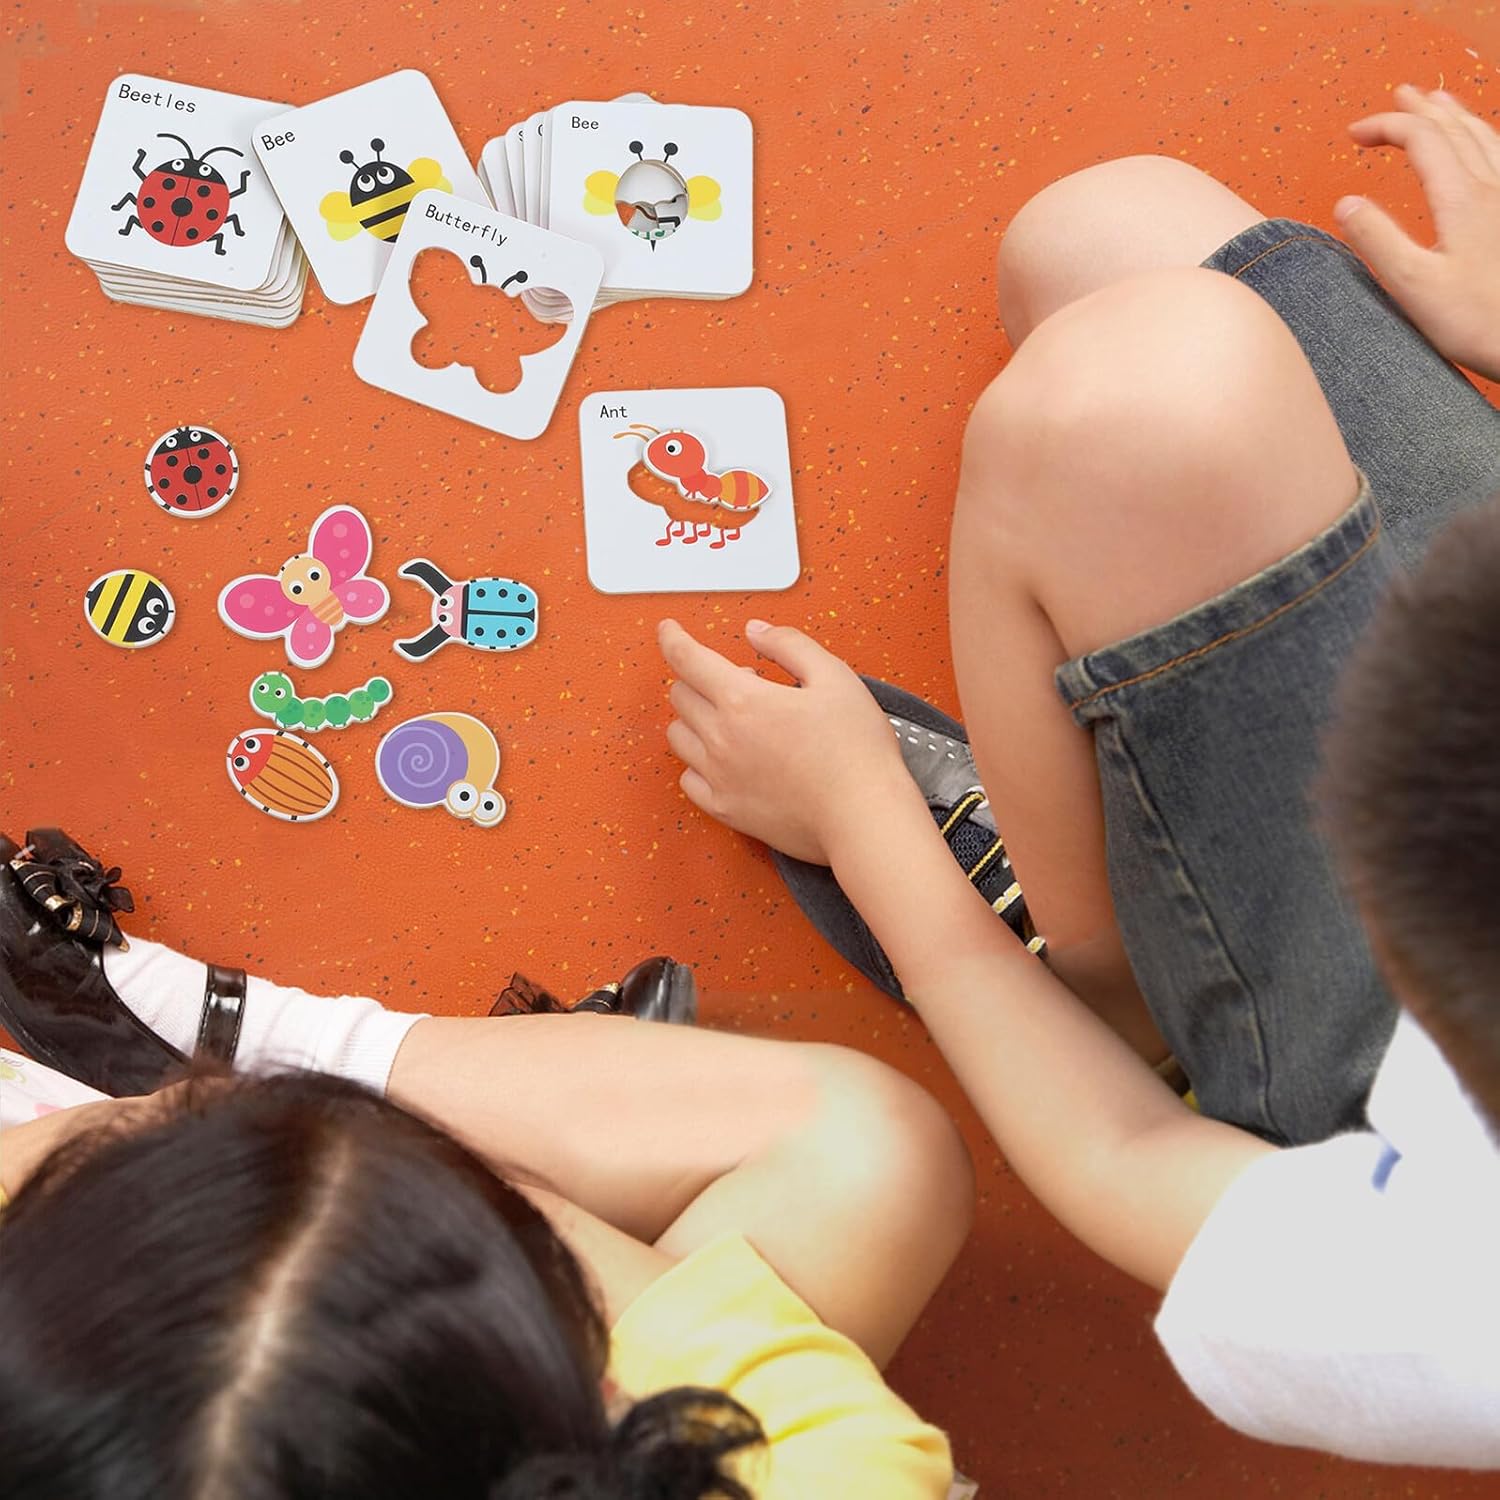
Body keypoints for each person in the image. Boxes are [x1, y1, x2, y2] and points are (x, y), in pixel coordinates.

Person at [656, 83, 1500, 1465]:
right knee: (1106, 234)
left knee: (1129, 394)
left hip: (1403, 1022)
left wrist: (865, 823)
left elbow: (1124, 1158)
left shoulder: (1454, 1319)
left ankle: (1115, 994)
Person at [0, 830, 972, 1499]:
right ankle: (274, 1060)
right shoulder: (851, 1470)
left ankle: (225, 1066)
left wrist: (111, 1153)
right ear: (594, 1400)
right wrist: (288, 1145)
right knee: (871, 1154)